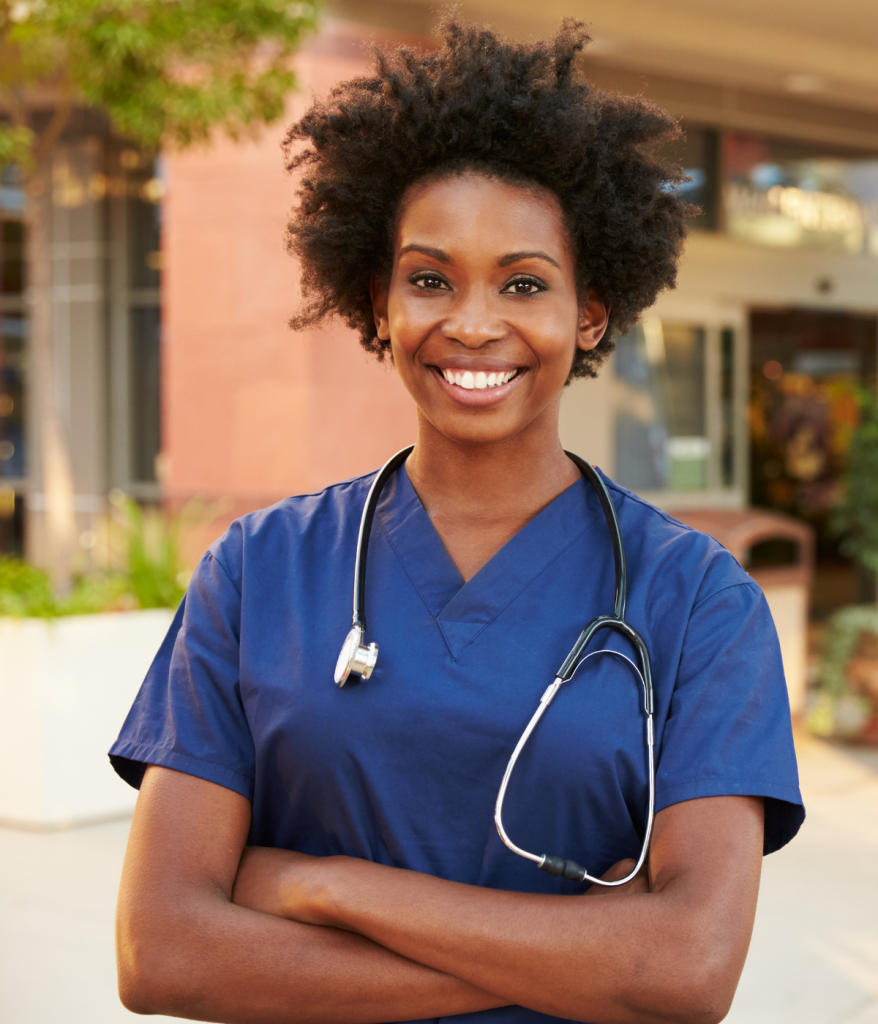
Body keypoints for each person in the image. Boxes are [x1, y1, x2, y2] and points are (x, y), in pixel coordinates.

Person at [110, 17, 803, 1024]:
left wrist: (322, 886)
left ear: (589, 313)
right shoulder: (258, 571)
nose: (472, 324)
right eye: (429, 277)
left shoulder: (697, 601)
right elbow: (162, 951)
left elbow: (683, 970)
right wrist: (585, 951)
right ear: (378, 302)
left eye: (524, 283)